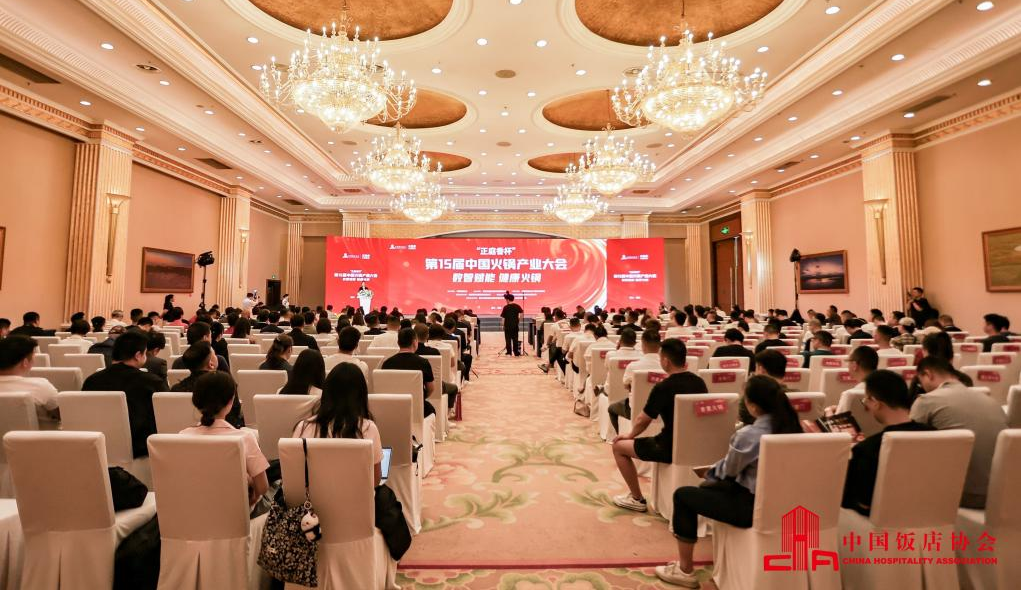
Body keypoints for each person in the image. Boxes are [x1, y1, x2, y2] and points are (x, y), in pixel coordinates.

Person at [654, 375, 803, 587]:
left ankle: (685, 570)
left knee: (683, 496)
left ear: (752, 406)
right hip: (789, 506)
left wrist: (710, 472)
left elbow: (728, 471)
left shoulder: (749, 435)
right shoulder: (796, 429)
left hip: (751, 509)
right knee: (709, 488)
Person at [611, 338, 709, 512]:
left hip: (668, 447)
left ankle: (637, 498)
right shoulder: (699, 382)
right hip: (697, 445)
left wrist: (629, 435)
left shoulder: (663, 387)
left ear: (666, 361)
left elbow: (643, 420)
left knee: (618, 447)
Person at [910, 356, 1007, 508]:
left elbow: (906, 451)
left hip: (964, 495)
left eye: (920, 382)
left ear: (928, 374)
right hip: (1005, 493)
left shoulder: (927, 401)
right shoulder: (991, 401)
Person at [841, 370, 933, 515]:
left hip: (881, 521)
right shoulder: (935, 435)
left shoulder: (867, 449)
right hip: (926, 513)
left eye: (866, 400)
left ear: (876, 403)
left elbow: (859, 502)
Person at [180, 371, 269, 507]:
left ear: (197, 402)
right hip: (237, 512)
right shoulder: (244, 438)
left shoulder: (182, 436)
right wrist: (248, 480)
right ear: (231, 401)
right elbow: (262, 488)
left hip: (193, 507)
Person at [293, 363, 385, 485]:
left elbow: (294, 473)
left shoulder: (303, 427)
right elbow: (375, 480)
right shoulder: (368, 428)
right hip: (356, 496)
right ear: (361, 395)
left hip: (314, 497)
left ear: (326, 392)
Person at [82, 331, 168, 458]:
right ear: (138, 355)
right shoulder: (152, 382)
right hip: (141, 450)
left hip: (98, 447)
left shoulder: (91, 380)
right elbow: (167, 415)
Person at [0, 336, 60, 427]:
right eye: (33, 356)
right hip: (41, 436)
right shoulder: (40, 386)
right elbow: (62, 414)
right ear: (25, 362)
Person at [380, 327, 435, 418]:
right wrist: (420, 397)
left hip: (391, 408)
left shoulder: (387, 363)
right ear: (414, 342)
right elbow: (431, 389)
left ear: (398, 343)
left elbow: (384, 388)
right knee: (431, 410)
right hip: (417, 408)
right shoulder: (423, 362)